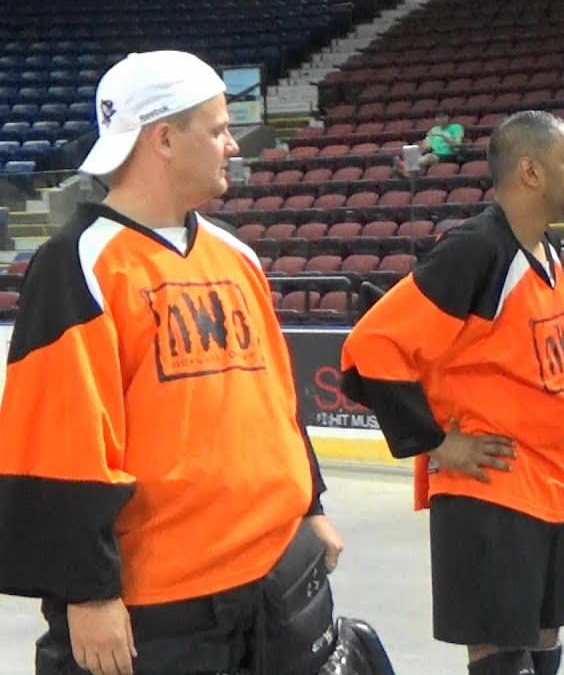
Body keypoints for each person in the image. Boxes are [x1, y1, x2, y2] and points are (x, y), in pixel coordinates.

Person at [0, 50, 351, 675]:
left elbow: (276, 399)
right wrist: (89, 591)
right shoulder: (78, 263)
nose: (233, 146)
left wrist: (311, 506)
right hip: (165, 607)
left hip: (274, 576)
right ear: (163, 138)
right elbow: (57, 442)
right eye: (218, 129)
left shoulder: (236, 256)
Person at [339, 110, 564, 675]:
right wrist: (434, 442)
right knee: (502, 654)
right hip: (491, 498)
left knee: (544, 643)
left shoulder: (544, 253)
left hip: (549, 493)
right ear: (530, 171)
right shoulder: (477, 252)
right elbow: (372, 345)